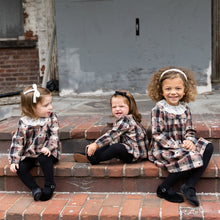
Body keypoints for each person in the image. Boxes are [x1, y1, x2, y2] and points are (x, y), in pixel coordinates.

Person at [147, 67, 213, 206]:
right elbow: (157, 133)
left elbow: (189, 129)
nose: (173, 92)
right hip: (163, 148)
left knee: (207, 147)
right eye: (168, 89)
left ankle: (189, 185)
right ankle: (164, 188)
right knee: (192, 156)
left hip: (182, 146)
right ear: (161, 91)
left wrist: (189, 140)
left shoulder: (185, 109)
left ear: (184, 90)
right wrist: (178, 145)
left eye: (177, 88)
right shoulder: (159, 109)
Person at [8, 84, 61, 201]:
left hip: (49, 152)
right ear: (32, 108)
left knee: (43, 158)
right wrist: (14, 161)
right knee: (20, 167)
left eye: (50, 103)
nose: (50, 107)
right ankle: (34, 189)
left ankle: (49, 185)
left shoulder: (51, 118)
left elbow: (54, 136)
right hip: (30, 153)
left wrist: (48, 147)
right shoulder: (24, 122)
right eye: (46, 105)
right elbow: (17, 141)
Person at [74, 90, 148, 164]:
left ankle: (94, 158)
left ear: (130, 107)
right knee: (110, 145)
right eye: (114, 107)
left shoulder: (125, 120)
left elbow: (111, 135)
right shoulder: (126, 119)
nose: (117, 109)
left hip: (134, 155)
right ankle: (91, 155)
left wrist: (96, 144)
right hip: (130, 150)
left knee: (116, 147)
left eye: (121, 106)